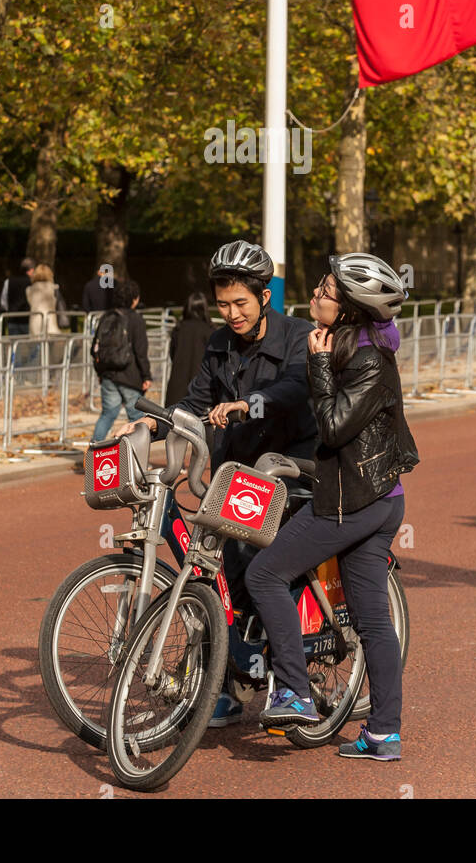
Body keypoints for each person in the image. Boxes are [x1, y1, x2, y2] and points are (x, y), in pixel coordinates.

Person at [114, 239, 317, 728]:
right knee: (212, 572)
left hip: (287, 470)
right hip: (233, 474)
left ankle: (287, 679)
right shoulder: (218, 342)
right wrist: (149, 428)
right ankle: (222, 682)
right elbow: (194, 400)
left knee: (264, 568)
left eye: (240, 303)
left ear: (263, 296)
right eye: (223, 304)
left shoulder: (298, 336)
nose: (231, 314)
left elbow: (295, 388)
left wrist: (252, 403)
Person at [246, 253, 418, 760]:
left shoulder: (365, 360)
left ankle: (295, 693)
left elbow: (334, 427)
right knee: (372, 624)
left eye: (327, 291)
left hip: (353, 502)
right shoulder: (356, 347)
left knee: (265, 575)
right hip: (377, 499)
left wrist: (318, 366)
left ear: (348, 310)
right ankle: (384, 734)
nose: (316, 294)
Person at [90, 279, 152, 445]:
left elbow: (95, 348)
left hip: (108, 375)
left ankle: (93, 452)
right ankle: (137, 460)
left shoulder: (107, 316)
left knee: (107, 414)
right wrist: (146, 376)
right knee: (138, 420)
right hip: (130, 376)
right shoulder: (136, 319)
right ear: (134, 299)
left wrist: (100, 372)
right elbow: (141, 352)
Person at [165, 291, 214, 408]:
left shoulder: (178, 329)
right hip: (201, 388)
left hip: (177, 385)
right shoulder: (210, 331)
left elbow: (172, 354)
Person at [26, 264, 64, 337]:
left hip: (35, 322)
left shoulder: (29, 289)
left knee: (37, 345)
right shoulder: (54, 288)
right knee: (49, 346)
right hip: (50, 322)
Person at [0, 258, 34, 335]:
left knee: (14, 346)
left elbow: (3, 302)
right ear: (31, 270)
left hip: (12, 319)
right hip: (28, 320)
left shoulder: (8, 281)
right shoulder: (33, 283)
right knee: (33, 346)